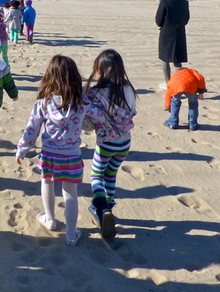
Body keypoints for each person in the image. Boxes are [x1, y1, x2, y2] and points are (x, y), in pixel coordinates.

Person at [15, 55, 106, 247]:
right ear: (74, 77)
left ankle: (50, 219)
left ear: (50, 77)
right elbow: (100, 117)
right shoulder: (81, 102)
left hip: (48, 154)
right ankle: (71, 235)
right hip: (71, 155)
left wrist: (22, 149)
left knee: (46, 184)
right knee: (70, 193)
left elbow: (32, 128)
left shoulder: (43, 102)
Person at [83, 50, 137, 241]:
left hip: (105, 144)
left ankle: (101, 209)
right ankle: (109, 208)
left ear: (100, 70)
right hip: (125, 144)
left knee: (96, 176)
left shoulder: (94, 93)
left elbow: (88, 123)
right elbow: (133, 112)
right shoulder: (128, 89)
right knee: (111, 174)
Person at [155, 0, 189, 89]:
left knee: (164, 58)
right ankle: (176, 83)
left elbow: (158, 20)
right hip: (179, 33)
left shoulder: (165, 2)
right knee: (177, 60)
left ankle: (167, 82)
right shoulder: (184, 2)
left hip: (166, 33)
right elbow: (186, 19)